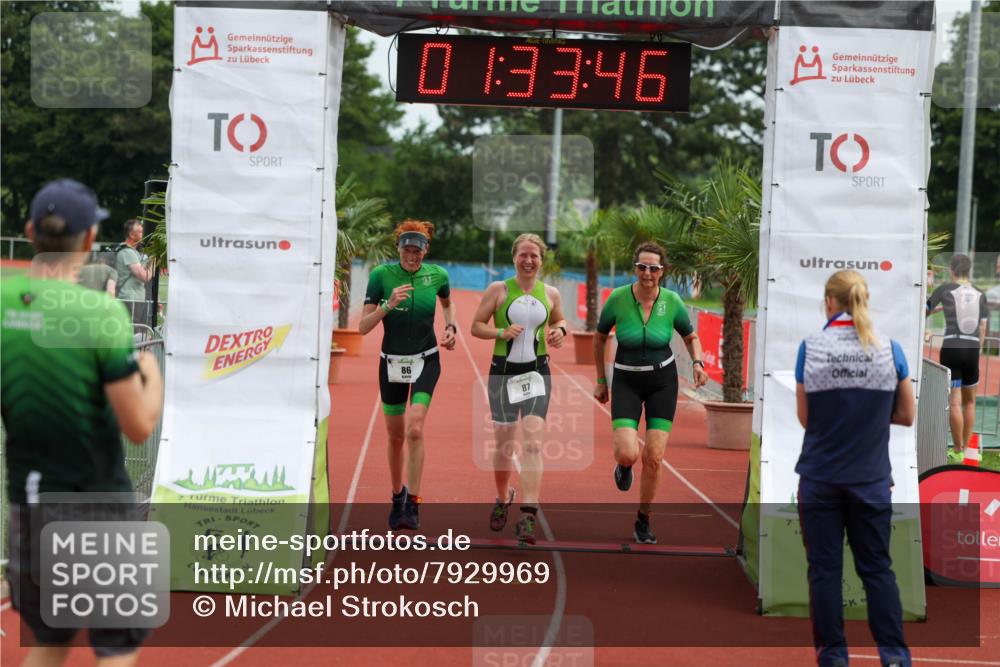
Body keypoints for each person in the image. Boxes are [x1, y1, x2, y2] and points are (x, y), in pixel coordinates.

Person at [2, 179, 164, 667]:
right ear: (91, 239)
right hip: (99, 503)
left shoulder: (4, 301)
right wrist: (151, 374)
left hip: (30, 503)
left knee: (50, 642)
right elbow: (138, 425)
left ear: (31, 231)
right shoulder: (101, 314)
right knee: (115, 646)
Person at [795, 270, 915, 667]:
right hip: (871, 479)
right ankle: (894, 658)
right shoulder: (890, 349)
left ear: (829, 302)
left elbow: (806, 419)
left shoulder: (811, 347)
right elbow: (907, 415)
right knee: (877, 570)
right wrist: (870, 419)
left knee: (825, 572)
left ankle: (833, 658)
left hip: (821, 478)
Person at [593, 242, 709, 544]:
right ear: (635, 268)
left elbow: (691, 336)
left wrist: (697, 363)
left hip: (662, 382)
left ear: (662, 271)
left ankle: (643, 519)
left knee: (654, 457)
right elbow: (600, 337)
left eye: (653, 268)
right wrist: (601, 380)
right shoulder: (618, 298)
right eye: (642, 267)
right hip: (626, 381)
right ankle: (624, 466)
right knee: (627, 452)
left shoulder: (672, 301)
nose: (647, 273)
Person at [471, 233, 568, 545]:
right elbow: (476, 326)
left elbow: (560, 321)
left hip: (537, 373)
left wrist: (560, 332)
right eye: (523, 255)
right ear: (514, 258)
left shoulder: (550, 293)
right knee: (504, 446)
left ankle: (528, 515)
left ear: (541, 260)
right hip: (503, 374)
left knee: (534, 444)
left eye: (534, 256)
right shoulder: (498, 290)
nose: (528, 260)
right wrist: (500, 332)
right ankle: (503, 497)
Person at [360, 220, 456, 530]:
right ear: (398, 249)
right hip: (391, 363)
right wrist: (388, 305)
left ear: (425, 251)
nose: (412, 256)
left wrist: (451, 327)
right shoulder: (381, 275)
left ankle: (413, 502)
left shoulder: (438, 275)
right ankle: (397, 495)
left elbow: (447, 303)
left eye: (418, 251)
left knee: (415, 429)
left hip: (426, 359)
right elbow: (363, 327)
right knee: (396, 435)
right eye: (407, 250)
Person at [925, 254, 987, 453]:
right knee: (970, 401)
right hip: (972, 348)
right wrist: (979, 350)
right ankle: (966, 448)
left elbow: (923, 311)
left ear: (952, 270)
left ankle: (957, 448)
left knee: (955, 401)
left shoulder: (944, 289)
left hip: (951, 346)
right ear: (969, 271)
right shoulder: (980, 293)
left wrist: (933, 312)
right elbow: (982, 326)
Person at [115, 219, 152, 323]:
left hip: (135, 297)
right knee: (132, 327)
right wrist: (154, 261)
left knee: (134, 328)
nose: (143, 235)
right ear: (131, 235)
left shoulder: (134, 252)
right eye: (140, 232)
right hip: (130, 297)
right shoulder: (127, 252)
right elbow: (145, 277)